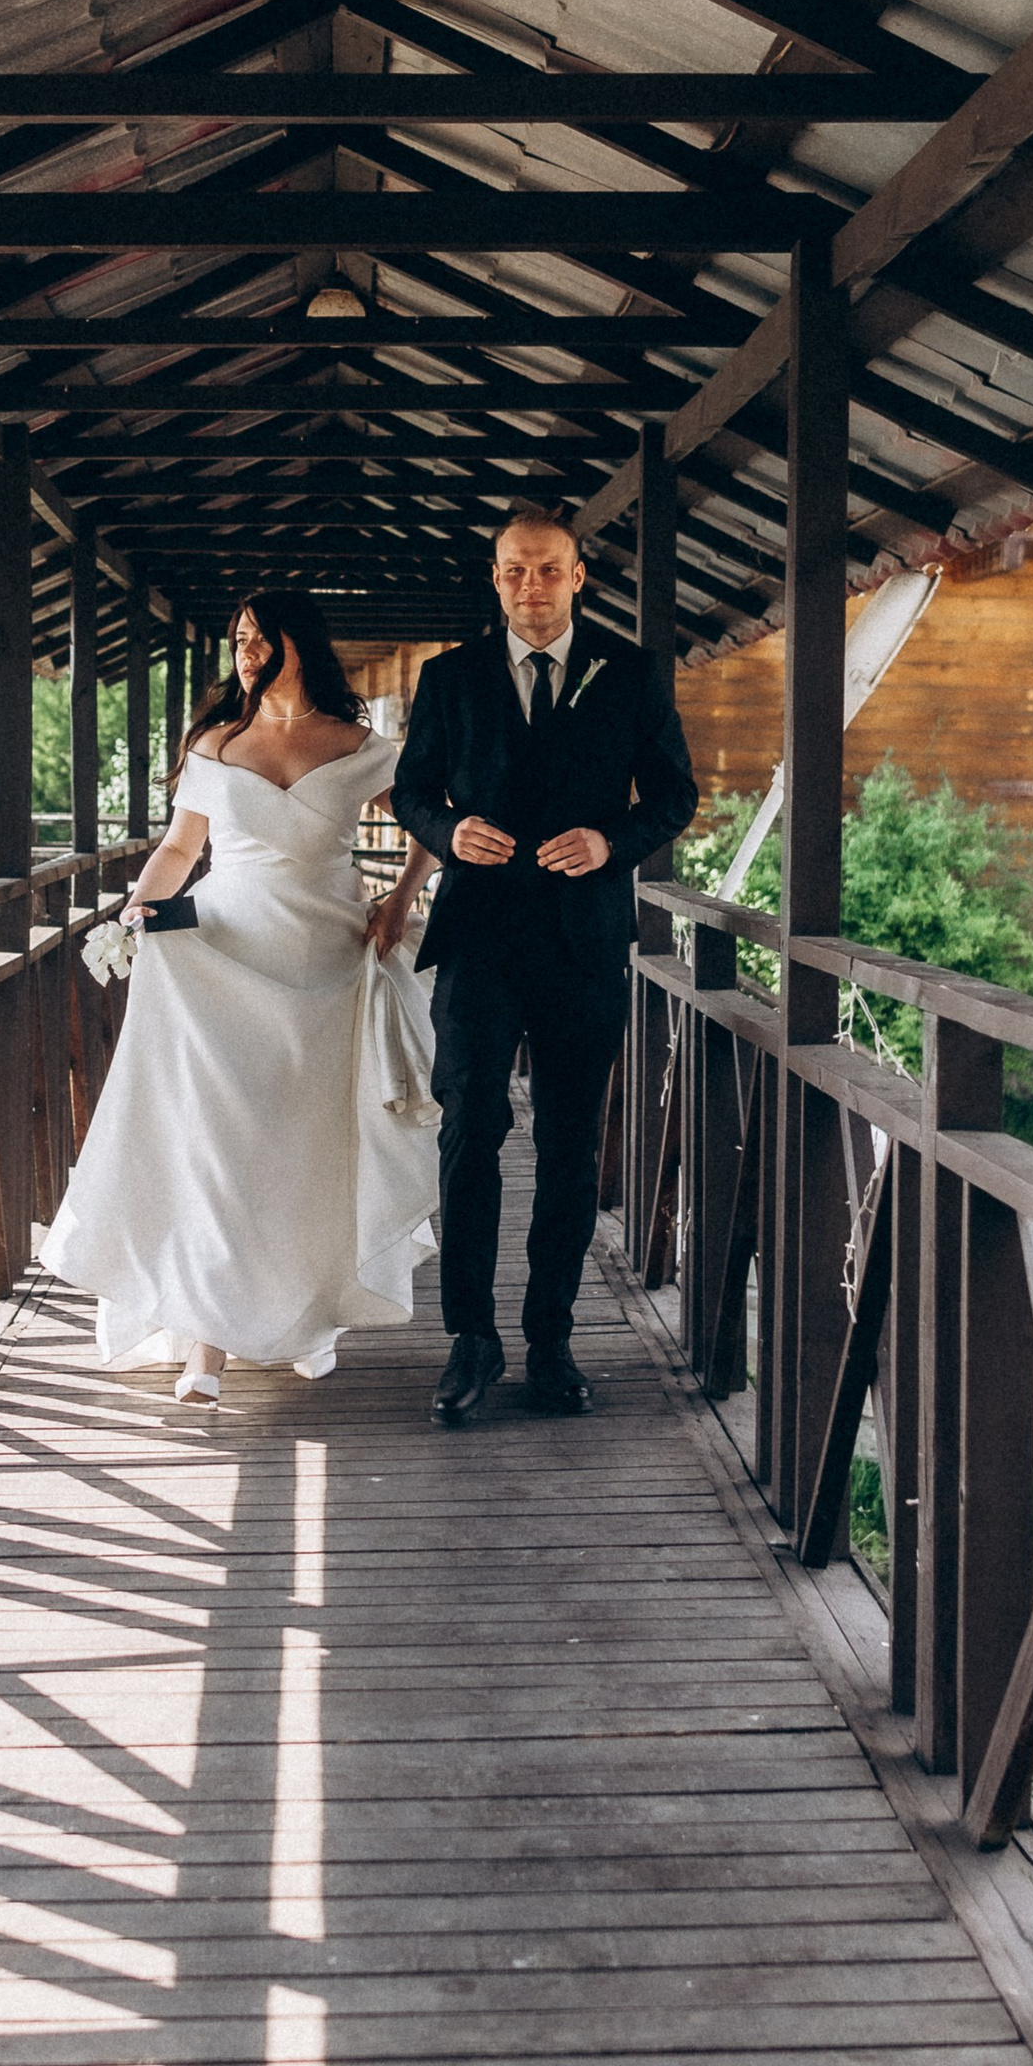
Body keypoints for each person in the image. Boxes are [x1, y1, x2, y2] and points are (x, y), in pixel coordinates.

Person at [40, 588, 443, 1404]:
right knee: (217, 1148)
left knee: (308, 1150)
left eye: (261, 636)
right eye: (238, 638)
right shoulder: (215, 747)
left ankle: (307, 1319)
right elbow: (182, 848)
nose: (246, 651)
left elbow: (429, 829)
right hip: (222, 960)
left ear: (302, 643)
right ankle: (206, 1349)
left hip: (328, 965)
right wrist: (135, 913)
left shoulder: (365, 747)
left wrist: (400, 899)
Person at [393, 499, 700, 1426]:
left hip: (584, 940)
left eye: (548, 569)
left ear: (578, 577)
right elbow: (411, 790)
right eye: (514, 570)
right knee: (468, 1131)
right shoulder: (449, 678)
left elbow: (676, 796)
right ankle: (470, 1342)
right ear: (496, 579)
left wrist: (612, 842)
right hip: (479, 940)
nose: (531, 585)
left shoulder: (634, 672)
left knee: (569, 1144)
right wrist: (450, 831)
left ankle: (552, 1341)